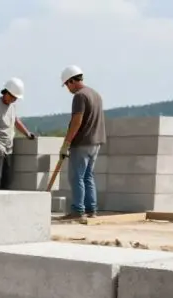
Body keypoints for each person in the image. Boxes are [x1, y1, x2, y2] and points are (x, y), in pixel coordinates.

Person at [58, 65, 105, 218]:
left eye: (66, 85)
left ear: (72, 81)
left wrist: (66, 143)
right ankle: (91, 210)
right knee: (88, 176)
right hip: (96, 142)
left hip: (82, 142)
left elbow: (76, 122)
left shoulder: (79, 96)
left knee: (76, 176)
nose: (68, 89)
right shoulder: (95, 94)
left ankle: (78, 210)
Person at [0, 77, 36, 190]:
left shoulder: (12, 106)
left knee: (7, 180)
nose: (14, 100)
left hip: (8, 148)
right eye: (13, 97)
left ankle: (2, 205)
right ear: (7, 92)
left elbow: (16, 121)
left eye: (16, 98)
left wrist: (27, 133)